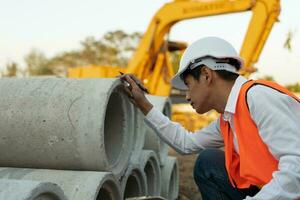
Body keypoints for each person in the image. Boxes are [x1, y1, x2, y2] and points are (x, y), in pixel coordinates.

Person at [121, 37, 300, 199]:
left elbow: (296, 166)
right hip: (275, 192)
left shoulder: (258, 98)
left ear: (206, 75)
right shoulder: (229, 118)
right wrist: (143, 104)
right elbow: (186, 143)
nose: (187, 96)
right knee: (209, 162)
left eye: (188, 85)